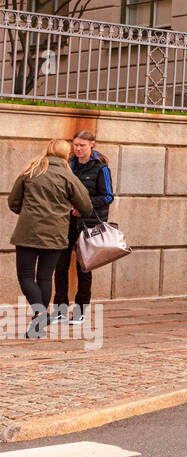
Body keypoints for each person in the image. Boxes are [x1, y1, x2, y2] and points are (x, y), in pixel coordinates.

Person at [8, 140, 94, 339]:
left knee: (26, 276)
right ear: (66, 155)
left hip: (27, 232)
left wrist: (29, 214)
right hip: (56, 233)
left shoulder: (29, 171)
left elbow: (13, 202)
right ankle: (39, 321)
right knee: (45, 277)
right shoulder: (69, 177)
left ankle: (39, 313)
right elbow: (87, 207)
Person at [51, 130, 114, 325]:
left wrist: (83, 205)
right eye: (75, 145)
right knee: (60, 266)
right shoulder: (68, 164)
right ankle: (60, 310)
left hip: (88, 224)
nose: (77, 149)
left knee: (84, 269)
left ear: (92, 145)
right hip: (66, 222)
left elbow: (108, 196)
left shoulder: (101, 167)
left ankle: (80, 312)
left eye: (82, 145)